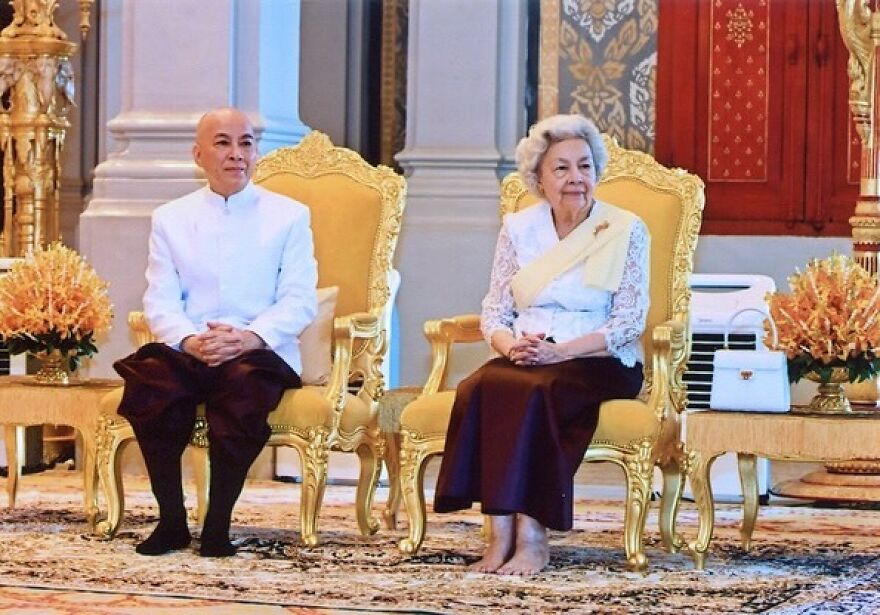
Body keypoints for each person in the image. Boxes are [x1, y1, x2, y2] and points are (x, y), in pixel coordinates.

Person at [433, 114, 650, 575]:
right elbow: (494, 310)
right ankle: (498, 534)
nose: (576, 179)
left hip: (598, 356)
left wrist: (562, 351)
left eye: (585, 166)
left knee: (536, 391)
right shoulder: (518, 229)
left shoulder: (625, 229)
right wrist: (511, 347)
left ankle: (533, 536)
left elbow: (629, 321)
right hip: (528, 351)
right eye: (562, 168)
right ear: (538, 178)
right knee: (480, 386)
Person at [113, 107, 318, 557]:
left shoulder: (289, 216)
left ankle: (217, 525)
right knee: (151, 381)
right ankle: (171, 522)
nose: (236, 154)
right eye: (223, 143)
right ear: (199, 154)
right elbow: (160, 300)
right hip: (192, 345)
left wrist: (250, 336)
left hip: (259, 349)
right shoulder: (170, 218)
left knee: (244, 390)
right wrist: (189, 340)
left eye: (246, 143)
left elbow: (300, 299)